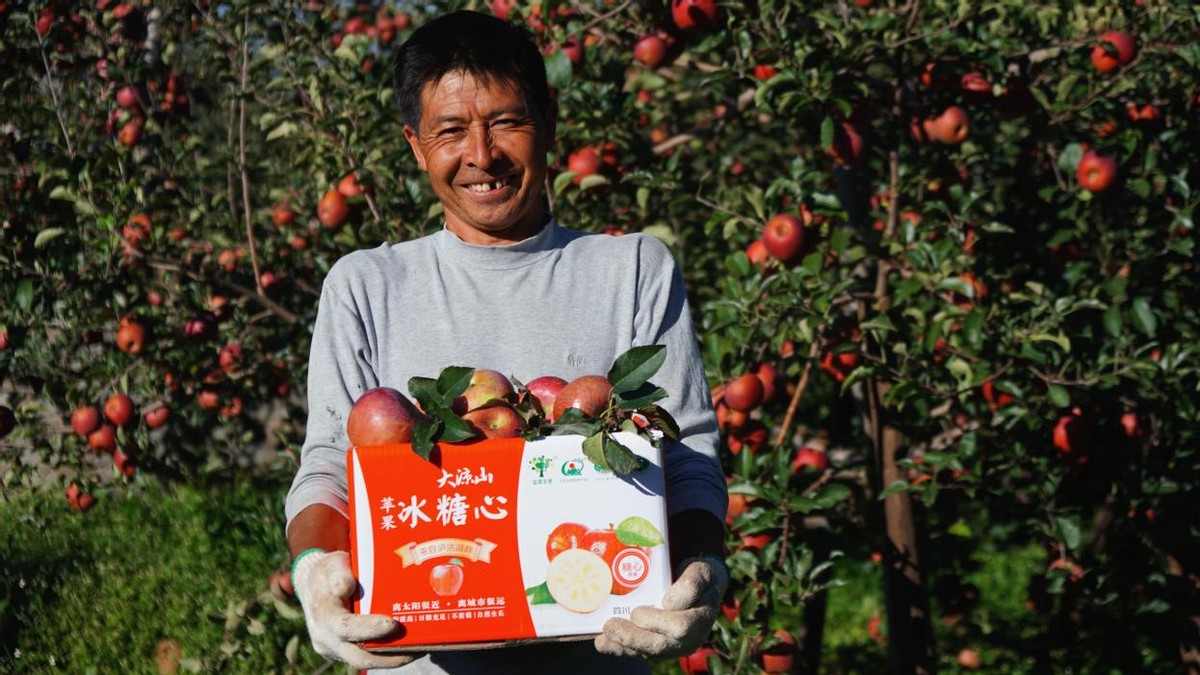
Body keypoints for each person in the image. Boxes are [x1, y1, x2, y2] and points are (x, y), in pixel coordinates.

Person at [284, 10, 728, 673]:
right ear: (415, 145)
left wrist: (701, 566)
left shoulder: (631, 270)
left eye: (506, 122)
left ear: (549, 121)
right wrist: (315, 570)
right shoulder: (366, 286)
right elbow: (329, 460)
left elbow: (685, 450)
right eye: (450, 130)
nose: (481, 155)